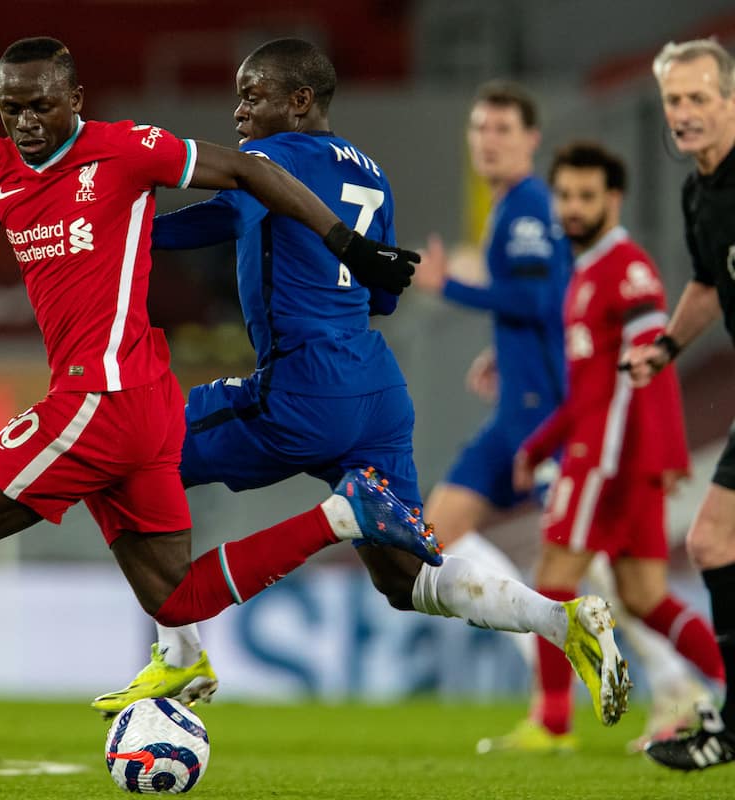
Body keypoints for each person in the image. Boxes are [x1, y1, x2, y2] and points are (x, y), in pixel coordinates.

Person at [0, 35, 436, 771]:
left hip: (101, 394)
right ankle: (341, 515)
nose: (26, 122)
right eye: (11, 107)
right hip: (144, 405)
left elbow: (244, 170)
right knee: (176, 600)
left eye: (41, 105)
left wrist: (349, 245)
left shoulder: (126, 149)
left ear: (75, 100)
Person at [87, 39, 630, 735]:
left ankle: (182, 651)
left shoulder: (267, 162)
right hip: (375, 390)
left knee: (123, 454)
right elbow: (377, 293)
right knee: (407, 580)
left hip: (300, 390)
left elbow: (230, 189)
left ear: (300, 100)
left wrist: (109, 219)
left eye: (254, 96)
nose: (239, 110)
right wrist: (138, 240)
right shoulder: (371, 174)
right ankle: (560, 620)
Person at [476, 141, 725, 755]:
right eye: (565, 195)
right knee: (643, 596)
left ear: (614, 199)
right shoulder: (584, 275)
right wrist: (540, 444)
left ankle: (553, 722)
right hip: (608, 454)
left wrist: (661, 452)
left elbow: (654, 365)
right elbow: (591, 390)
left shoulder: (627, 269)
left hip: (607, 461)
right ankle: (725, 688)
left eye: (587, 196)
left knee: (551, 582)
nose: (573, 208)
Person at [412, 80, 572, 670]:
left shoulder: (529, 203)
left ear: (531, 139)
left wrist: (448, 284)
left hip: (543, 412)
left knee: (590, 566)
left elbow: (540, 300)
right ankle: (541, 639)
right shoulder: (511, 204)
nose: (488, 140)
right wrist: (501, 354)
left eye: (503, 129)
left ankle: (676, 685)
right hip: (518, 409)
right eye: (480, 128)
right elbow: (537, 304)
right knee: (435, 531)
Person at [629, 38, 735, 772]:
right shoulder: (700, 191)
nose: (686, 113)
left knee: (712, 543)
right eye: (676, 99)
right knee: (712, 544)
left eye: (701, 97)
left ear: (730, 100)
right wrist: (665, 349)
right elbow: (706, 283)